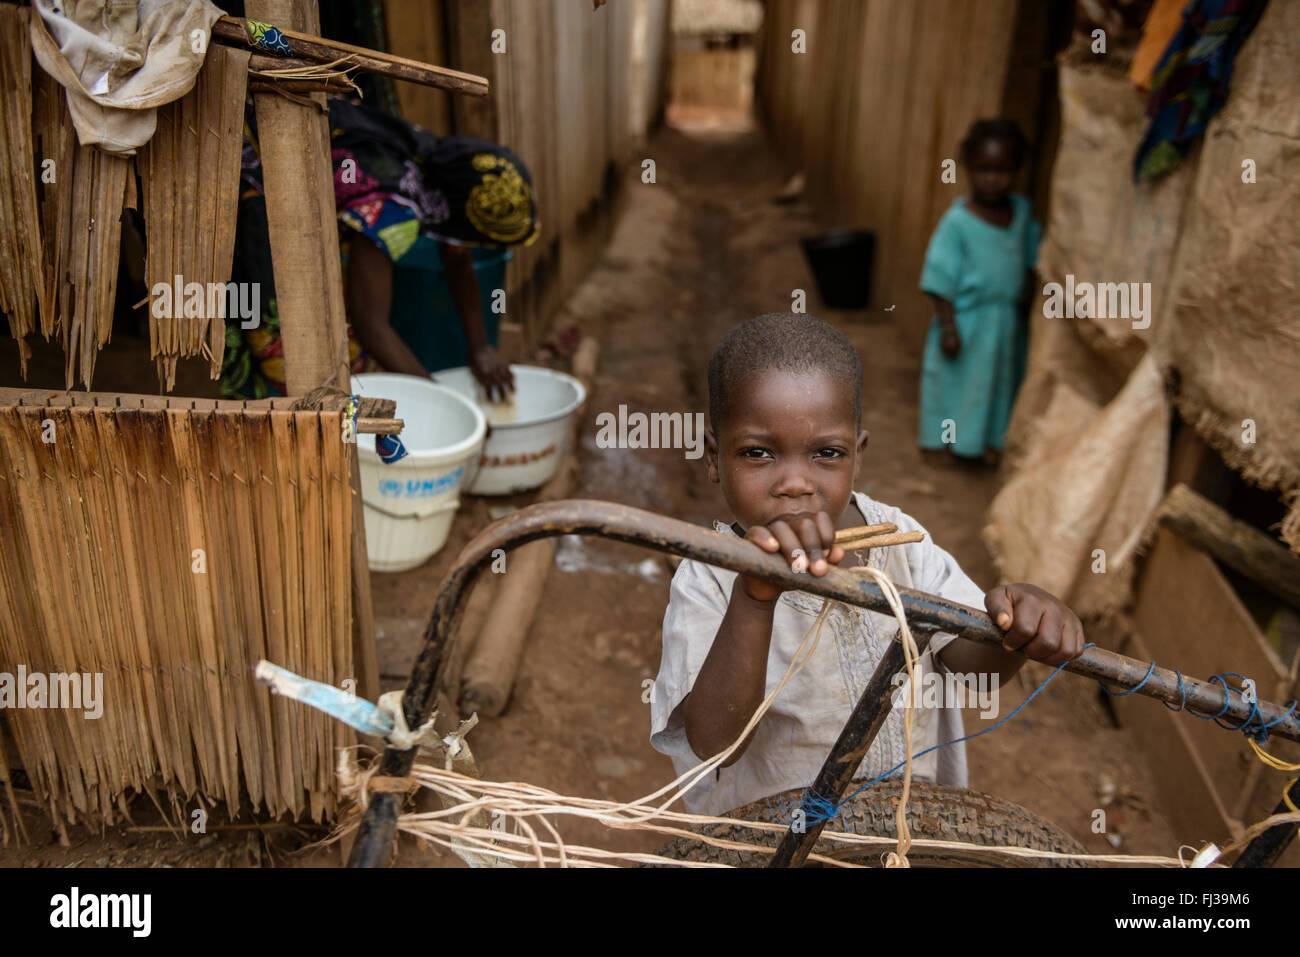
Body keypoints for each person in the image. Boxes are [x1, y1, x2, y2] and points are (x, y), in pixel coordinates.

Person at [649, 313, 1084, 817]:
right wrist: (754, 597)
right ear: (713, 457)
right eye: (758, 453)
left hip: (910, 828)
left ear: (858, 455)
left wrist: (1017, 630)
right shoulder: (711, 577)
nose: (795, 483)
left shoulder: (901, 542)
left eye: (826, 453)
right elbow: (714, 744)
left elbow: (970, 669)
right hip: (775, 845)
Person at [221, 97, 536, 400]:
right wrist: (442, 400)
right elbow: (370, 323)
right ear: (460, 218)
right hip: (254, 202)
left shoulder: (438, 170)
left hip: (297, 191)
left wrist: (480, 347)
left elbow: (457, 258)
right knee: (311, 374)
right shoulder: (392, 211)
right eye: (476, 237)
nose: (469, 245)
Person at [918, 118, 1041, 468]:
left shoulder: (1021, 213)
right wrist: (949, 326)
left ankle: (982, 445)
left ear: (1016, 170)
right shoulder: (957, 221)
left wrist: (1027, 291)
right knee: (954, 385)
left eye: (1002, 170)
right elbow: (939, 276)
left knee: (995, 387)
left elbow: (1032, 257)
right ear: (969, 169)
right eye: (983, 169)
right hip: (966, 322)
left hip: (1004, 325)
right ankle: (945, 446)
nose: (992, 178)